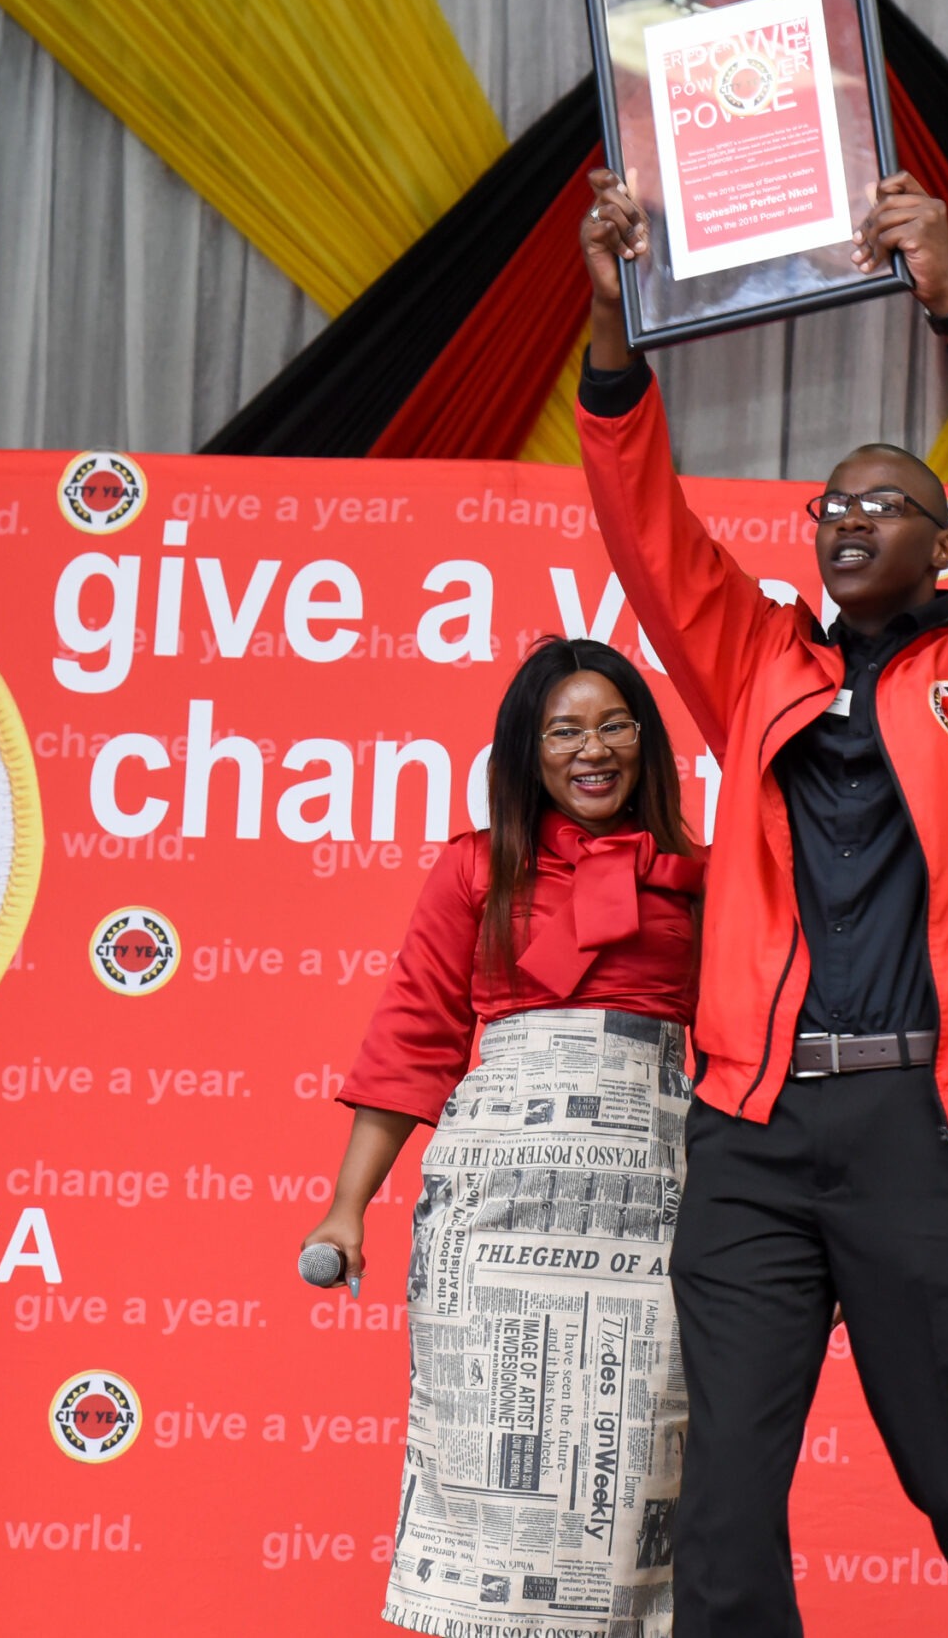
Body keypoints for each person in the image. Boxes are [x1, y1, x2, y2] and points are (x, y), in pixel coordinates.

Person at [575, 168, 948, 1638]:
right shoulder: (755, 664)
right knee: (726, 1507)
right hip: (752, 1131)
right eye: (832, 505)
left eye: (889, 505)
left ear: (944, 545)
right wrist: (609, 312)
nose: (851, 519)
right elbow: (643, 523)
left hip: (928, 1127)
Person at [301, 637, 704, 1638]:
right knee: (486, 1456)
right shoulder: (475, 866)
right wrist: (347, 1208)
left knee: (634, 1466)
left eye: (613, 723)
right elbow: (412, 1034)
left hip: (650, 1197)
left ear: (646, 742)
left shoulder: (702, 876)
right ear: (526, 752)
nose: (591, 749)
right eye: (563, 730)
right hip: (492, 1198)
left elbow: (753, 1042)